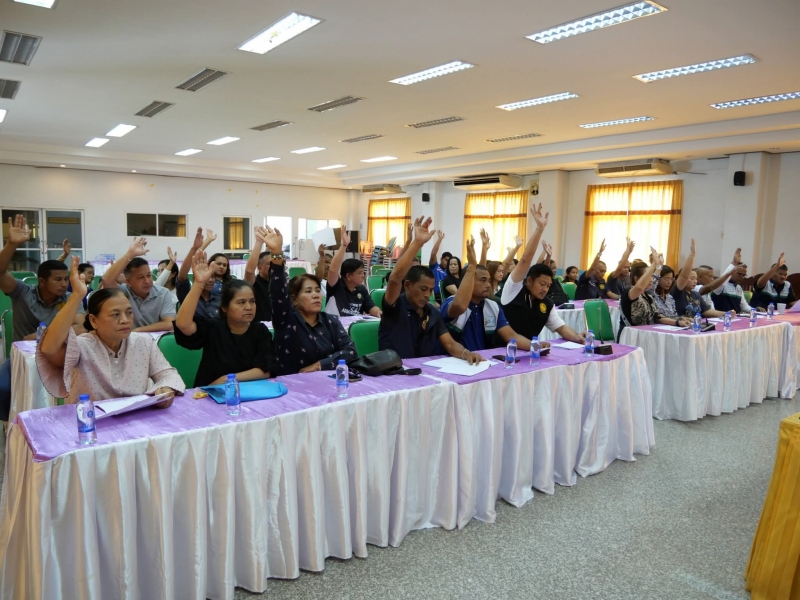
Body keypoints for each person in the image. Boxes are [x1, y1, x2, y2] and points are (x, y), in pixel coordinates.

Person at [36, 257, 185, 405]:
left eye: (129, 313)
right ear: (94, 321)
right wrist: (76, 296)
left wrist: (164, 388)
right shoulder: (82, 346)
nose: (125, 320)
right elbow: (49, 348)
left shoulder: (143, 342)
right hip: (91, 418)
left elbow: (168, 374)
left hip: (134, 417)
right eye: (115, 314)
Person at [0, 215, 87, 422]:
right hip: (24, 359)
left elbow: (81, 326)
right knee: (2, 387)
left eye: (66, 279)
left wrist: (43, 335)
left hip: (58, 356)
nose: (64, 284)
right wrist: (11, 245)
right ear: (41, 281)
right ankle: (12, 424)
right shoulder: (23, 293)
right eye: (58, 279)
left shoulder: (70, 298)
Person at [378, 217, 483, 363]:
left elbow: (450, 344)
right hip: (394, 370)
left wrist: (466, 354)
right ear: (407, 285)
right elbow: (395, 279)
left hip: (425, 370)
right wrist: (417, 243)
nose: (427, 295)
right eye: (423, 289)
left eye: (430, 290)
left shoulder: (432, 312)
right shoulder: (395, 306)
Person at [262, 226, 357, 375]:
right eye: (308, 291)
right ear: (294, 299)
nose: (316, 295)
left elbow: (350, 351)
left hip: (324, 382)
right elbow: (278, 291)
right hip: (291, 384)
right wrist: (277, 254)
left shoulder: (330, 321)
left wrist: (319, 365)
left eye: (318, 291)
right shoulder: (286, 320)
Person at [174, 250, 274, 387]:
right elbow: (183, 324)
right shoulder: (213, 327)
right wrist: (199, 283)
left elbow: (264, 371)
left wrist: (226, 379)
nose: (249, 307)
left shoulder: (260, 330)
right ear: (225, 307)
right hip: (211, 392)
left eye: (252, 301)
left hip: (249, 391)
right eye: (241, 302)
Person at [500, 205, 587, 345]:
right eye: (542, 284)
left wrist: (576, 337)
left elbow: (561, 327)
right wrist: (539, 229)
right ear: (529, 281)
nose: (545, 289)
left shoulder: (546, 303)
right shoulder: (513, 290)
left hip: (531, 351)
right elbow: (525, 260)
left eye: (548, 285)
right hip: (502, 350)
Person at [442, 236, 532, 352]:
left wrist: (536, 346)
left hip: (483, 359)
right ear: (468, 281)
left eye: (489, 280)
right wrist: (471, 267)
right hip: (455, 359)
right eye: (483, 280)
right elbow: (459, 306)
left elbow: (511, 336)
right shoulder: (450, 302)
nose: (488, 285)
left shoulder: (493, 306)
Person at [101, 237, 177, 331]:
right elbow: (107, 280)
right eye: (141, 277)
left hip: (152, 338)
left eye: (149, 275)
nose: (147, 281)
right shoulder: (122, 293)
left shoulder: (163, 293)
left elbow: (169, 323)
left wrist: (137, 331)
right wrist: (130, 254)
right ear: (129, 282)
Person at [618, 256, 693, 338]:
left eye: (651, 276)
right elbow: (639, 288)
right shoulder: (629, 291)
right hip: (631, 335)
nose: (651, 280)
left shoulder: (649, 296)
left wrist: (678, 322)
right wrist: (654, 264)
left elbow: (658, 317)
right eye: (648, 276)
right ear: (636, 279)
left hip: (646, 334)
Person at [324, 227, 381, 317]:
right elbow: (333, 270)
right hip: (337, 324)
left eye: (363, 273)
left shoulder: (362, 289)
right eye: (359, 273)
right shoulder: (336, 286)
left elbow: (370, 306)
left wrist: (378, 312)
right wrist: (344, 245)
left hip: (356, 324)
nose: (363, 276)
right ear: (348, 276)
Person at [176, 228, 221, 320]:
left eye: (212, 277)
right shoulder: (188, 296)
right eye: (207, 276)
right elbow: (182, 276)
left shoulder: (218, 298)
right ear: (194, 279)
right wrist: (194, 248)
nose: (211, 280)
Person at [243, 226, 273, 322]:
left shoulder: (279, 282)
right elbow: (249, 271)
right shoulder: (254, 283)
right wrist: (259, 242)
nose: (274, 266)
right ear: (259, 268)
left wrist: (271, 244)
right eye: (270, 264)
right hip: (261, 325)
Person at [428, 231, 451, 302]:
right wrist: (440, 239)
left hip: (445, 296)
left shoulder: (449, 272)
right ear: (441, 259)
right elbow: (433, 254)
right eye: (446, 260)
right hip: (434, 296)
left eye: (449, 261)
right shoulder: (435, 267)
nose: (447, 263)